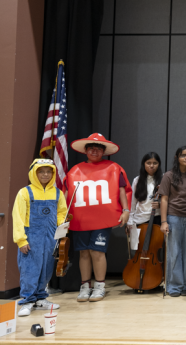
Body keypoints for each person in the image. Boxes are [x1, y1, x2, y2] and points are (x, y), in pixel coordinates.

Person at [66, 133, 131, 303]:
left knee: (97, 252)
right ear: (85, 150)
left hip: (102, 220)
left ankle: (100, 286)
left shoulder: (114, 168)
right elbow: (67, 193)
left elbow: (122, 189)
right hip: (81, 219)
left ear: (103, 152)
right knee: (84, 253)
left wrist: (125, 210)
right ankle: (85, 286)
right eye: (91, 148)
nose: (94, 151)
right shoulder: (75, 170)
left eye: (98, 149)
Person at [13, 159, 67, 316]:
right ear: (34, 173)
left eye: (48, 171)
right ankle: (28, 300)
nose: (45, 174)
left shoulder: (57, 193)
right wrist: (21, 240)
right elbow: (18, 217)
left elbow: (61, 212)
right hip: (31, 237)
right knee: (30, 269)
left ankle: (40, 298)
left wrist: (61, 224)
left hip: (51, 237)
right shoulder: (25, 192)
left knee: (46, 268)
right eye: (41, 171)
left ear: (53, 173)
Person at [159, 146, 186, 297]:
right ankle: (174, 286)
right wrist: (163, 221)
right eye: (183, 155)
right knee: (174, 252)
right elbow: (164, 199)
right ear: (177, 157)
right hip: (173, 217)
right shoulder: (168, 176)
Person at [128, 152, 162, 230]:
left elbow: (169, 201)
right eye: (148, 163)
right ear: (144, 164)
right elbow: (132, 202)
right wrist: (130, 221)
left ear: (159, 164)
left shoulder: (164, 179)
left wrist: (160, 205)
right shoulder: (137, 180)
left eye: (155, 163)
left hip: (157, 218)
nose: (152, 166)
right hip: (140, 219)